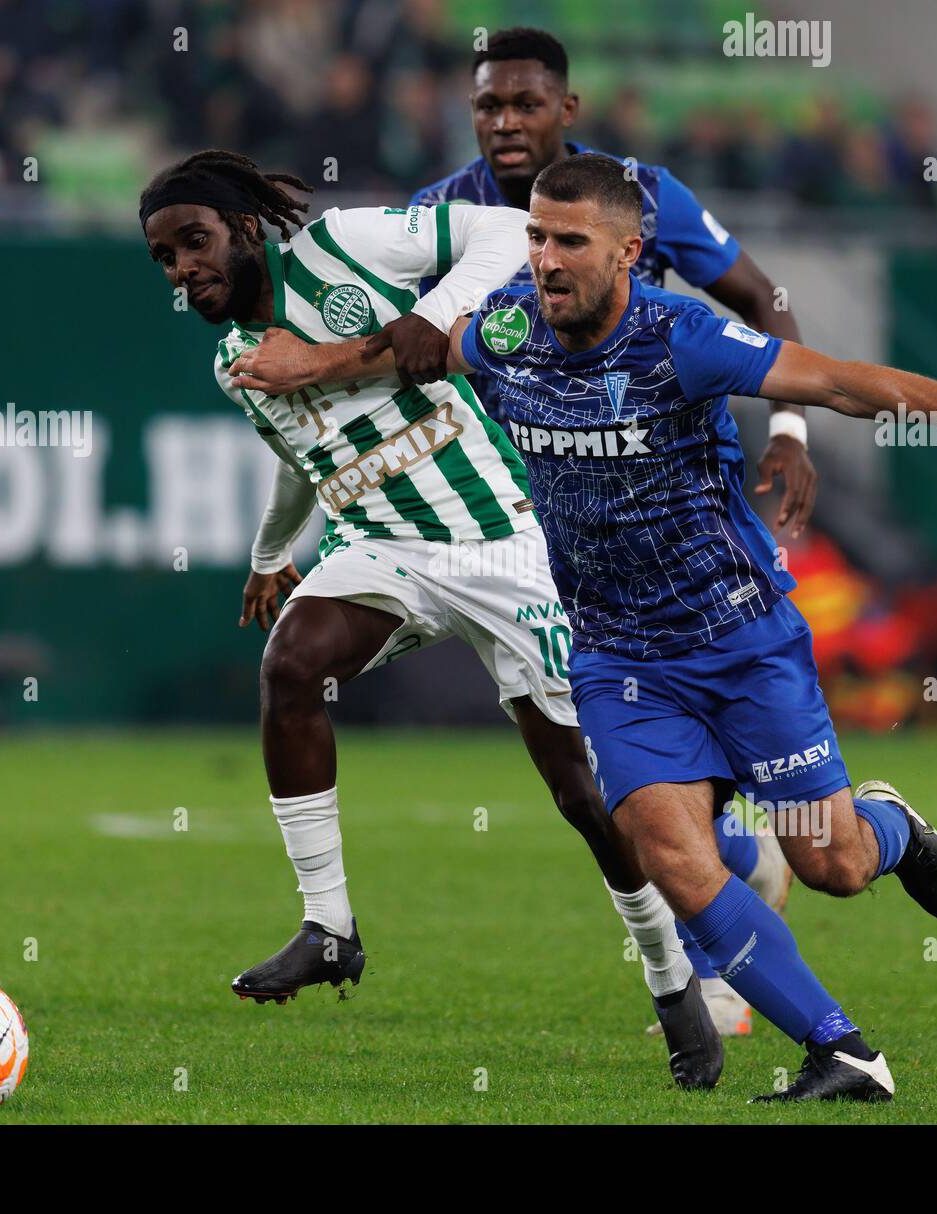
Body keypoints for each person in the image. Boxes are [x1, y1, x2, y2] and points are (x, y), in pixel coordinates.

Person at [232, 153, 937, 1101]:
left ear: (630, 252)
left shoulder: (683, 337)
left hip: (742, 646)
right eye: (534, 237)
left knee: (830, 863)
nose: (546, 260)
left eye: (570, 241)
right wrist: (311, 368)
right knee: (670, 857)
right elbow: (413, 352)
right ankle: (841, 1050)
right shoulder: (508, 330)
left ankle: (889, 825)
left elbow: (842, 383)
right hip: (616, 658)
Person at [140, 148, 724, 1091]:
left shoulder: (342, 245)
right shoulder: (233, 362)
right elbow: (304, 452)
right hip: (384, 544)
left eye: (193, 242)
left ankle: (668, 977)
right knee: (290, 669)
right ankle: (330, 928)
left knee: (581, 792)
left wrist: (425, 319)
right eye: (164, 259)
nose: (182, 269)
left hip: (503, 539)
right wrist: (268, 555)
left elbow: (503, 232)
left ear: (244, 228)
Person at [412, 25, 805, 1034]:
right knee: (595, 764)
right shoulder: (435, 218)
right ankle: (746, 863)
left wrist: (791, 428)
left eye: (525, 103)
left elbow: (762, 301)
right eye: (488, 104)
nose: (505, 121)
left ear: (564, 109)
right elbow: (403, 353)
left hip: (652, 504)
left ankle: (716, 968)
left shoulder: (644, 194)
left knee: (622, 758)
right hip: (517, 516)